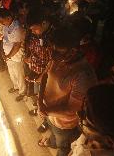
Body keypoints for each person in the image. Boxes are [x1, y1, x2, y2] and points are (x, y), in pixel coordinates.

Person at [37, 22, 97, 156]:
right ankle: (52, 142)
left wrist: (46, 110)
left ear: (74, 50)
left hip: (63, 122)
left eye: (58, 51)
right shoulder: (58, 59)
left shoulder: (83, 75)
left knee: (62, 145)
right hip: (49, 114)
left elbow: (72, 109)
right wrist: (40, 101)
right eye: (52, 49)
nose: (52, 55)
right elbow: (46, 76)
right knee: (53, 133)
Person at [0, 8, 26, 101]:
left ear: (8, 17)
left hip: (16, 56)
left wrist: (8, 56)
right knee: (12, 73)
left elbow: (17, 46)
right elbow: (5, 37)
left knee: (19, 74)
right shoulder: (6, 26)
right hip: (8, 55)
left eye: (2, 20)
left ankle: (22, 92)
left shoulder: (17, 28)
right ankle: (15, 86)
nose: (1, 23)